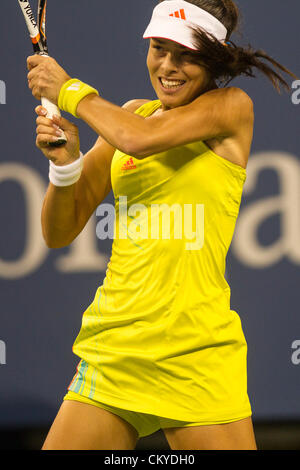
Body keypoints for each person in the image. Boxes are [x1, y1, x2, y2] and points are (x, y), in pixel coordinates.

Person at [26, 0, 296, 450]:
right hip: (115, 351)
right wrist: (65, 165)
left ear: (212, 58)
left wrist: (69, 89)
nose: (168, 66)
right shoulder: (134, 113)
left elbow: (139, 139)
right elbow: (57, 233)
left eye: (186, 55)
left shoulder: (230, 108)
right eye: (159, 49)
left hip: (196, 358)